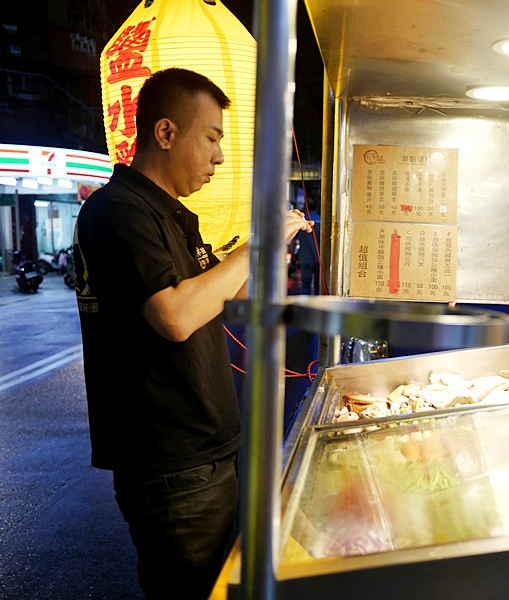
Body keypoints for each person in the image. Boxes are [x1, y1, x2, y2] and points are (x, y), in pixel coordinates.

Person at [73, 67, 311, 599]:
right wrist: (256, 248)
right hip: (171, 466)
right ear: (165, 133)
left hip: (206, 455)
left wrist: (269, 252)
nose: (219, 156)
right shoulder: (117, 210)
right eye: (212, 137)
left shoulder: (174, 216)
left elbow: (227, 300)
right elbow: (176, 316)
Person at [296, 196, 321, 294]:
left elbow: (294, 239)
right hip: (319, 258)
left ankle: (303, 307)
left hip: (305, 258)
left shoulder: (300, 222)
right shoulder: (322, 221)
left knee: (305, 286)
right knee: (318, 287)